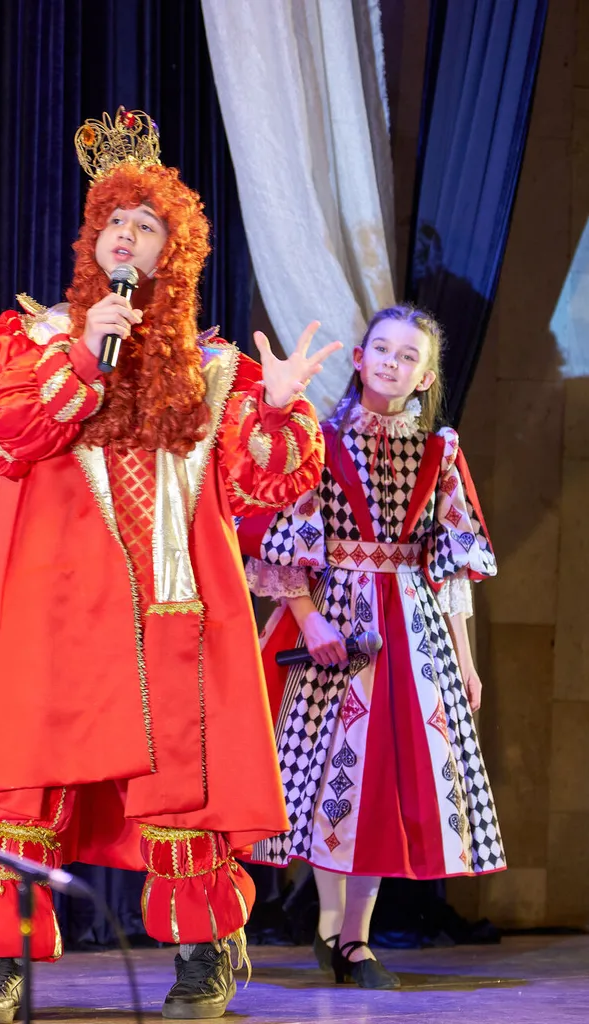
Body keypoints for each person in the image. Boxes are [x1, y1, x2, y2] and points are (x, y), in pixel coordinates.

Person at [0, 107, 341, 1023]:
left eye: (148, 225)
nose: (126, 235)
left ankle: (204, 953)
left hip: (172, 609)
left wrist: (279, 410)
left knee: (180, 787)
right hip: (52, 612)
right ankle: (2, 961)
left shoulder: (215, 371)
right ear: (92, 241)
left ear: (175, 254)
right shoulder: (22, 343)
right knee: (25, 783)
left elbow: (263, 484)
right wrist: (83, 357)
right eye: (114, 220)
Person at [242, 304, 506, 989]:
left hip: (411, 633)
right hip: (336, 624)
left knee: (382, 781)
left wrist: (465, 660)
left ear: (425, 378)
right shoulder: (319, 441)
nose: (392, 362)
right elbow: (284, 542)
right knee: (327, 774)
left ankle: (352, 938)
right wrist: (309, 620)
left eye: (408, 356)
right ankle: (324, 927)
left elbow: (450, 565)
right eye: (381, 349)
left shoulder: (439, 451)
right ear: (359, 359)